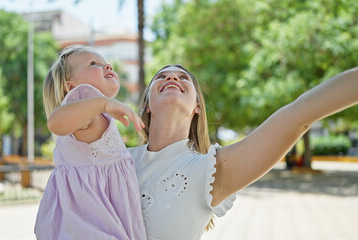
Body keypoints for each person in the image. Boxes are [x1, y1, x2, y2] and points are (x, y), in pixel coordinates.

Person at [128, 64, 358, 239]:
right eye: (161, 76)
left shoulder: (212, 171)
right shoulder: (116, 157)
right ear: (148, 103)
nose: (172, 77)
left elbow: (299, 115)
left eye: (183, 78)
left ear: (197, 106)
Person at [35, 45, 146, 240]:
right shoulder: (83, 106)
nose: (107, 66)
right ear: (70, 87)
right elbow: (55, 122)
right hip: (90, 229)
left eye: (105, 62)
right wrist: (103, 103)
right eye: (94, 64)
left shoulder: (96, 115)